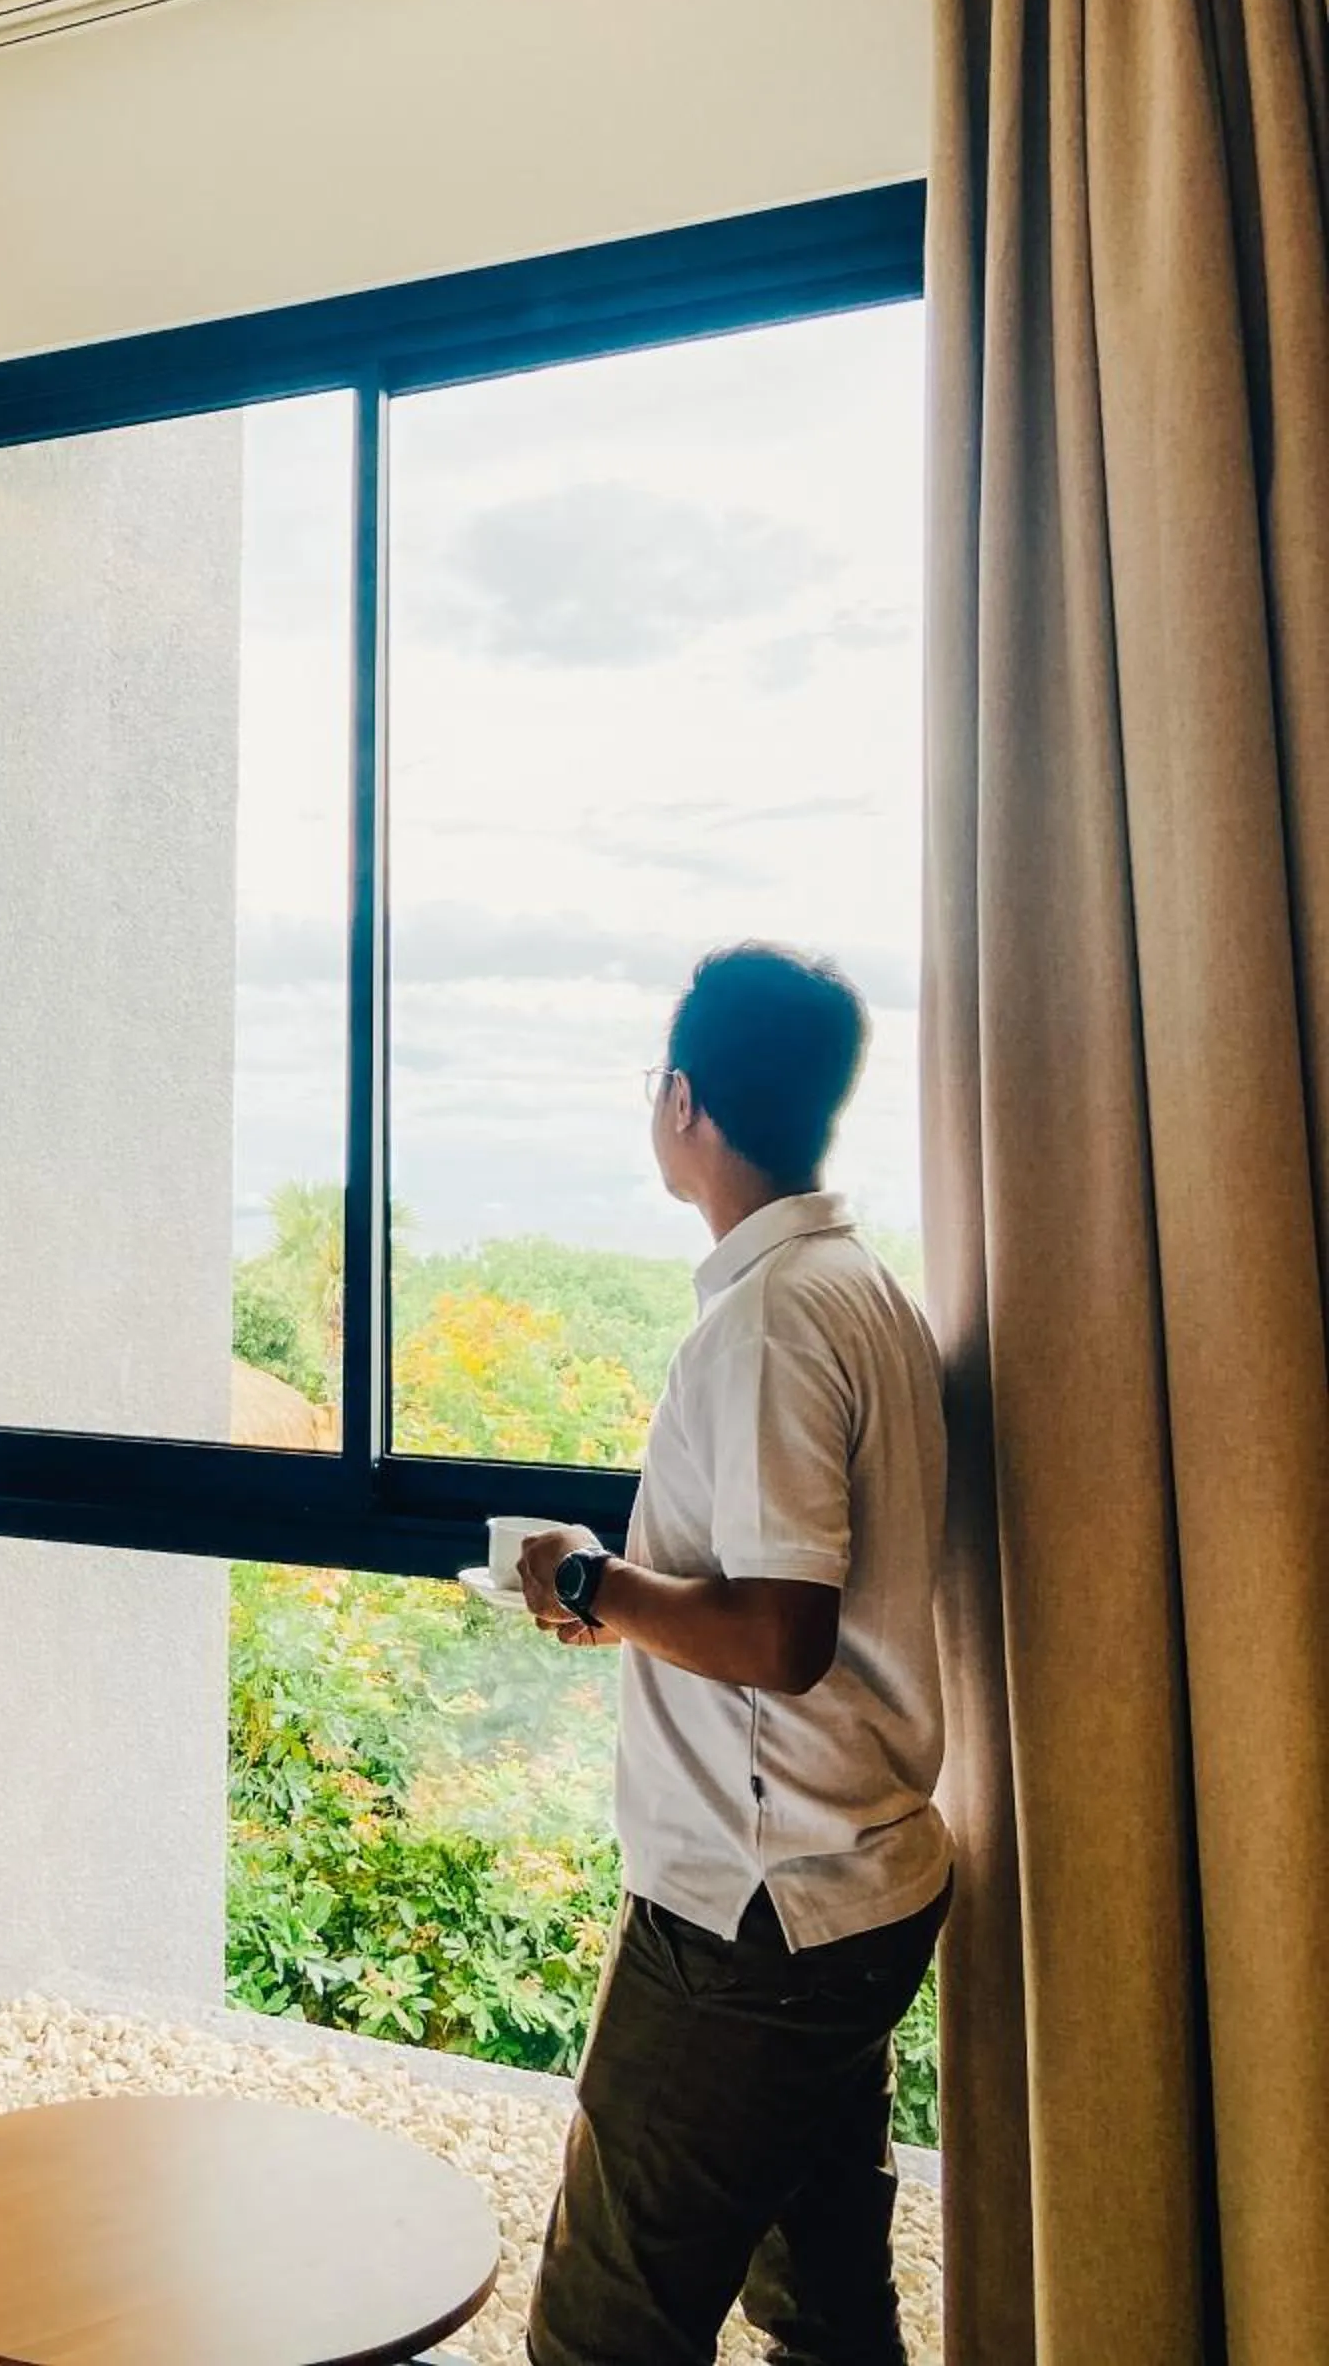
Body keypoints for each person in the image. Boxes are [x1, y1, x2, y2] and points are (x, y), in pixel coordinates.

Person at [517, 944, 949, 2366]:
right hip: (854, 1887)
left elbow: (780, 1631)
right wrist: (630, 1599)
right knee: (823, 2303)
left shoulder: (768, 1321)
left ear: (684, 1102)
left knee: (599, 2334)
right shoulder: (859, 1290)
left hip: (751, 1920)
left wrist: (590, 1578)